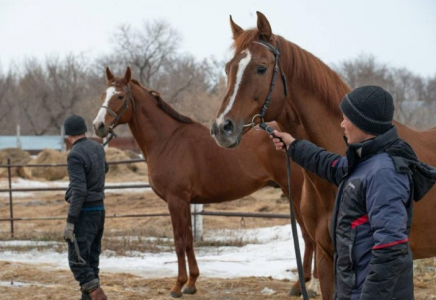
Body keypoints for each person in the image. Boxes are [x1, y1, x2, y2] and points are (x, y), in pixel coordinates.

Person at [270, 85, 436, 299]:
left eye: (346, 118)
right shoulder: (365, 163)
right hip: (356, 288)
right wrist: (294, 146)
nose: (341, 124)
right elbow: (329, 164)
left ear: (363, 124)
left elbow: (391, 248)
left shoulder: (384, 173)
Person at [63, 114, 109, 300]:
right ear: (83, 130)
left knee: (77, 261)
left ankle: (97, 294)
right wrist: (73, 188)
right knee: (91, 261)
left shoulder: (74, 154)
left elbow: (80, 191)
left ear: (68, 135)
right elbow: (105, 168)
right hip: (99, 211)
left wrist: (70, 222)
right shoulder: (98, 147)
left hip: (84, 213)